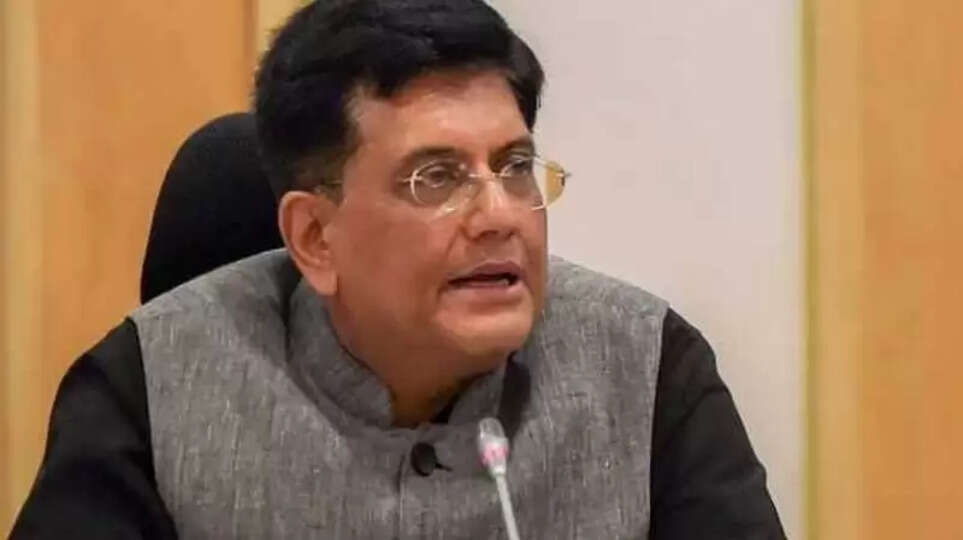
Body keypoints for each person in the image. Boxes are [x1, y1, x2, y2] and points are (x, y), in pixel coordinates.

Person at [11, 1, 785, 538]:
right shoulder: (151, 386)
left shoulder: (647, 369)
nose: (499, 215)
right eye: (436, 178)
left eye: (514, 166)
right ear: (315, 237)